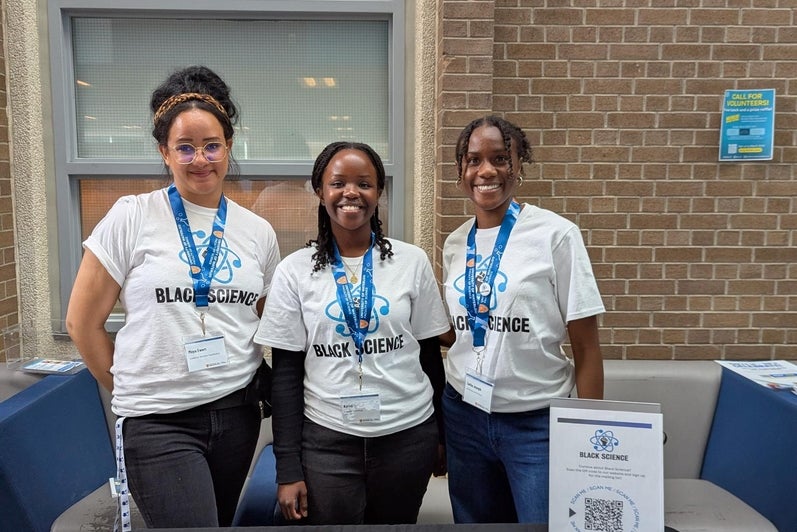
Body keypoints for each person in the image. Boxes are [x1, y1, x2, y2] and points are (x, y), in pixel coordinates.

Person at [65, 65, 280, 528]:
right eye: (185, 147)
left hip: (236, 414)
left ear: (229, 146)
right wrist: (135, 390)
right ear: (165, 152)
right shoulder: (132, 216)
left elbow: (266, 320)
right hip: (159, 422)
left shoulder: (257, 231)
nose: (200, 159)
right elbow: (82, 323)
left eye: (211, 145)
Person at [255, 141, 450, 525]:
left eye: (364, 183)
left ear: (378, 192)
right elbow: (287, 375)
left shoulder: (411, 261)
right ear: (320, 191)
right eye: (338, 182)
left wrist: (442, 438)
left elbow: (429, 356)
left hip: (408, 437)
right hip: (327, 442)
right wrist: (288, 467)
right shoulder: (295, 271)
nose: (351, 193)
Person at [440, 115, 605, 524]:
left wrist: (590, 433)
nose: (486, 171)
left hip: (536, 423)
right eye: (474, 160)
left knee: (542, 524)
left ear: (518, 165)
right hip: (464, 414)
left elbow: (586, 347)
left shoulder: (556, 236)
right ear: (461, 171)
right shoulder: (455, 243)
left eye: (500, 158)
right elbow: (468, 329)